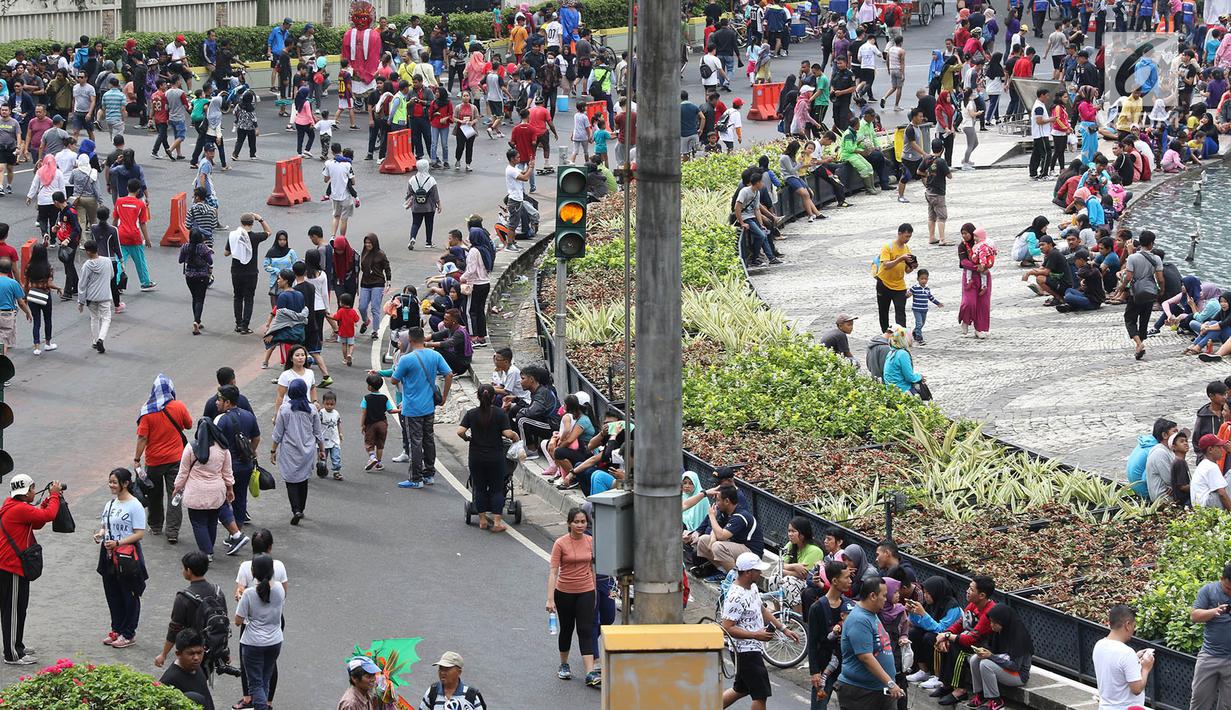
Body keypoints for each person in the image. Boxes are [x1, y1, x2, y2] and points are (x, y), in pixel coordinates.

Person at [721, 551, 799, 710]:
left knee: (741, 689)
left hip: (751, 649)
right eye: (757, 570)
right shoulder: (735, 597)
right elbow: (727, 627)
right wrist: (756, 635)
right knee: (760, 694)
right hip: (745, 651)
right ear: (748, 572)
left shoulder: (753, 587)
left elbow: (762, 610)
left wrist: (783, 629)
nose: (760, 573)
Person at [0, 474, 61, 665]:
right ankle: (12, 654)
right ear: (26, 492)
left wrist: (44, 504)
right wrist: (54, 496)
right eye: (33, 489)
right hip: (12, 567)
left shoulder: (14, 505)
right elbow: (49, 516)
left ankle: (17, 645)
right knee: (12, 610)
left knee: (19, 608)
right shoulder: (19, 509)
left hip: (12, 566)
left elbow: (37, 522)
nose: (35, 491)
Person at [391, 327, 453, 489]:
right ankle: (429, 474)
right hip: (429, 406)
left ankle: (415, 478)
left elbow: (394, 380)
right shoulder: (435, 355)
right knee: (429, 439)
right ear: (423, 339)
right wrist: (444, 396)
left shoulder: (406, 359)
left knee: (415, 442)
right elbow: (449, 374)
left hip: (412, 407)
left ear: (410, 340)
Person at [94, 467, 148, 649]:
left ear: (126, 483)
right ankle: (116, 629)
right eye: (110, 482)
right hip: (109, 555)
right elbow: (104, 526)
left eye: (115, 482)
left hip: (127, 557)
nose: (111, 485)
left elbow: (140, 533)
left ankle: (128, 633)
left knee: (129, 594)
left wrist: (118, 542)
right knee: (112, 594)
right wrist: (100, 535)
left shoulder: (135, 505)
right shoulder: (110, 504)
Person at [135, 374, 193, 545]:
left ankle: (155, 525)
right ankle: (173, 531)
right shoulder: (178, 406)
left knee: (154, 493)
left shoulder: (147, 411)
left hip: (154, 461)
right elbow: (188, 424)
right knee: (175, 494)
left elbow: (142, 438)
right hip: (176, 459)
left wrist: (137, 459)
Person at [548, 507, 600, 687]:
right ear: (569, 523)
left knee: (585, 630)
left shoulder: (591, 541)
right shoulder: (560, 543)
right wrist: (550, 599)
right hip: (564, 593)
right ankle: (564, 664)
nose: (580, 525)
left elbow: (592, 569)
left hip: (586, 591)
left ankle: (590, 672)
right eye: (576, 522)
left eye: (583, 522)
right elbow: (553, 572)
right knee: (567, 629)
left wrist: (593, 592)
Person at [836, 576, 903, 709]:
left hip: (878, 690)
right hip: (862, 693)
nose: (886, 599)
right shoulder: (860, 619)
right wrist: (890, 683)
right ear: (873, 596)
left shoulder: (871, 614)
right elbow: (865, 657)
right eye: (883, 595)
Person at [459, 384, 518, 532]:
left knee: (479, 487)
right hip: (495, 457)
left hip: (476, 456)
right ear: (493, 398)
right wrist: (515, 436)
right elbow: (507, 433)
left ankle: (483, 520)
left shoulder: (472, 413)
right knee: (496, 489)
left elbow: (460, 431)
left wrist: (467, 438)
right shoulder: (500, 414)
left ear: (478, 397)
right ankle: (497, 522)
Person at [153, 551, 225, 671]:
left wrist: (163, 654)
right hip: (212, 647)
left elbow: (174, 628)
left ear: (189, 571)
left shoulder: (183, 598)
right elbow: (223, 620)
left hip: (192, 651)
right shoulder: (217, 592)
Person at [235, 554, 284, 710]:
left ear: (253, 572)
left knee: (255, 683)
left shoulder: (249, 593)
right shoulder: (280, 589)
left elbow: (238, 621)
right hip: (275, 641)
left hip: (253, 643)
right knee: (265, 679)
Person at [271, 379, 323, 526]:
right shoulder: (312, 409)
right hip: (307, 450)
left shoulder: (285, 409)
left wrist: (273, 450)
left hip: (289, 450)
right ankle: (302, 507)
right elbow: (318, 432)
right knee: (303, 479)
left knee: (290, 480)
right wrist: (322, 450)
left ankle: (296, 510)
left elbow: (278, 432)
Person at [965, 605, 1033, 710]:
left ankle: (995, 700)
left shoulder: (1019, 636)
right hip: (1003, 663)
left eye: (994, 623)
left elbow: (1015, 666)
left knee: (985, 664)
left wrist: (991, 656)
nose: (991, 625)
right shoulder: (999, 632)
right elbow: (994, 650)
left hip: (1018, 675)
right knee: (975, 659)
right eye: (991, 622)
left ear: (1003, 622)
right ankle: (981, 694)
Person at [1093, 605, 1153, 710]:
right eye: (1134, 626)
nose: (1133, 631)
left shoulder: (1099, 645)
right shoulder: (1126, 653)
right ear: (1127, 625)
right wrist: (1146, 668)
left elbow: (1114, 666)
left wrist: (1135, 659)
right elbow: (1137, 689)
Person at [691, 487, 764, 572]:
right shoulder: (725, 513)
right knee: (703, 540)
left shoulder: (740, 516)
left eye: (718, 500)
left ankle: (735, 578)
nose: (716, 504)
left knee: (718, 547)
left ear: (726, 501)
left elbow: (721, 536)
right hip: (735, 546)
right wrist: (711, 542)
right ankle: (724, 572)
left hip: (751, 552)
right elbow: (717, 529)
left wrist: (712, 517)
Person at [227, 213, 272, 334]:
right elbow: (268, 232)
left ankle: (238, 323)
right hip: (251, 272)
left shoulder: (233, 236)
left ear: (241, 222)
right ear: (252, 223)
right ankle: (245, 326)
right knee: (249, 298)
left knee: (237, 296)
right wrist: (260, 219)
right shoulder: (255, 237)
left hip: (236, 271)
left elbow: (226, 253)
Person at [160, 628, 214, 709]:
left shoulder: (195, 666)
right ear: (178, 654)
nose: (196, 658)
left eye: (199, 652)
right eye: (191, 653)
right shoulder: (169, 680)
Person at [875, 224, 913, 333]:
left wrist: (912, 267)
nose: (908, 239)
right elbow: (886, 265)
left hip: (899, 285)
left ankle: (901, 335)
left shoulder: (906, 249)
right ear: (899, 234)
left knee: (900, 310)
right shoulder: (888, 247)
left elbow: (907, 270)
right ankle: (885, 335)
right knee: (883, 311)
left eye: (909, 237)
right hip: (884, 283)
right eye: (906, 236)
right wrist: (900, 258)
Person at [76, 240, 113, 352]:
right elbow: (111, 275)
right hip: (105, 295)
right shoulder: (107, 261)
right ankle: (101, 339)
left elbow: (82, 284)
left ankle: (95, 341)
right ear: (97, 249)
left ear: (87, 252)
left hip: (91, 297)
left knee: (94, 318)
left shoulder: (87, 266)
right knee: (106, 318)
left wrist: (81, 301)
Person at [22, 244, 59, 356]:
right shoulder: (48, 267)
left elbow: (26, 283)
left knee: (36, 321)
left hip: (33, 296)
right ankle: (48, 343)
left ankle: (36, 346)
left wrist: (25, 297)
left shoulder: (29, 266)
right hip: (45, 296)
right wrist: (58, 288)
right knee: (47, 320)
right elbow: (49, 283)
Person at [420, 651, 488, 709]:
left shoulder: (471, 696)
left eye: (447, 669)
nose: (442, 672)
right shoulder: (432, 692)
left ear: (459, 672)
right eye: (440, 668)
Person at [179, 230, 212, 336]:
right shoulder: (203, 248)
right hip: (202, 276)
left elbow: (180, 260)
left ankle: (197, 320)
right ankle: (197, 321)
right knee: (200, 299)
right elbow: (210, 261)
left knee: (194, 298)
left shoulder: (185, 247)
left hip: (189, 276)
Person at [406, 159, 441, 250]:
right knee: (429, 223)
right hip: (429, 207)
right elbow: (435, 194)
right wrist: (439, 204)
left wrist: (409, 202)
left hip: (416, 206)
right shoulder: (431, 180)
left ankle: (412, 238)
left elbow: (409, 193)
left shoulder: (412, 179)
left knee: (415, 223)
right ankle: (428, 242)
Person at [882, 325, 924, 396]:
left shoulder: (891, 352)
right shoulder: (902, 354)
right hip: (902, 390)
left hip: (891, 390)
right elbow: (909, 377)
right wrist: (919, 377)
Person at [1192, 435, 1231, 509]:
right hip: (1207, 504)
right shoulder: (1211, 466)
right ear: (1210, 449)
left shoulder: (1204, 464)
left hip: (1200, 505)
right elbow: (1222, 493)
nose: (1222, 450)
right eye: (1219, 447)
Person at [908, 269, 944, 346]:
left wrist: (938, 303)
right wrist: (908, 294)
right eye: (922, 279)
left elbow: (931, 298)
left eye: (925, 279)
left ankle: (915, 332)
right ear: (918, 279)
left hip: (924, 310)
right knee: (919, 323)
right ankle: (919, 338)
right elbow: (908, 294)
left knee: (922, 324)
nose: (924, 281)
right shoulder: (915, 288)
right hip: (917, 309)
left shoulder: (927, 289)